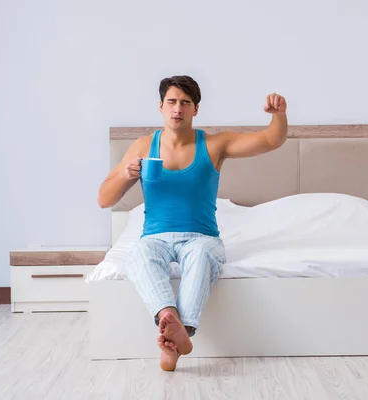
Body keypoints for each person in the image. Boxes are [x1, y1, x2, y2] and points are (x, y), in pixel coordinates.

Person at [97, 75, 288, 371]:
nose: (178, 109)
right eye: (171, 102)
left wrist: (279, 116)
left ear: (195, 109)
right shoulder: (143, 146)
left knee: (199, 256)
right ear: (161, 106)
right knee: (139, 255)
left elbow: (269, 140)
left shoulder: (214, 144)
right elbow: (104, 199)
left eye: (185, 103)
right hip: (154, 238)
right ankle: (175, 328)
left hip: (202, 238)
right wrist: (126, 173)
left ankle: (177, 333)